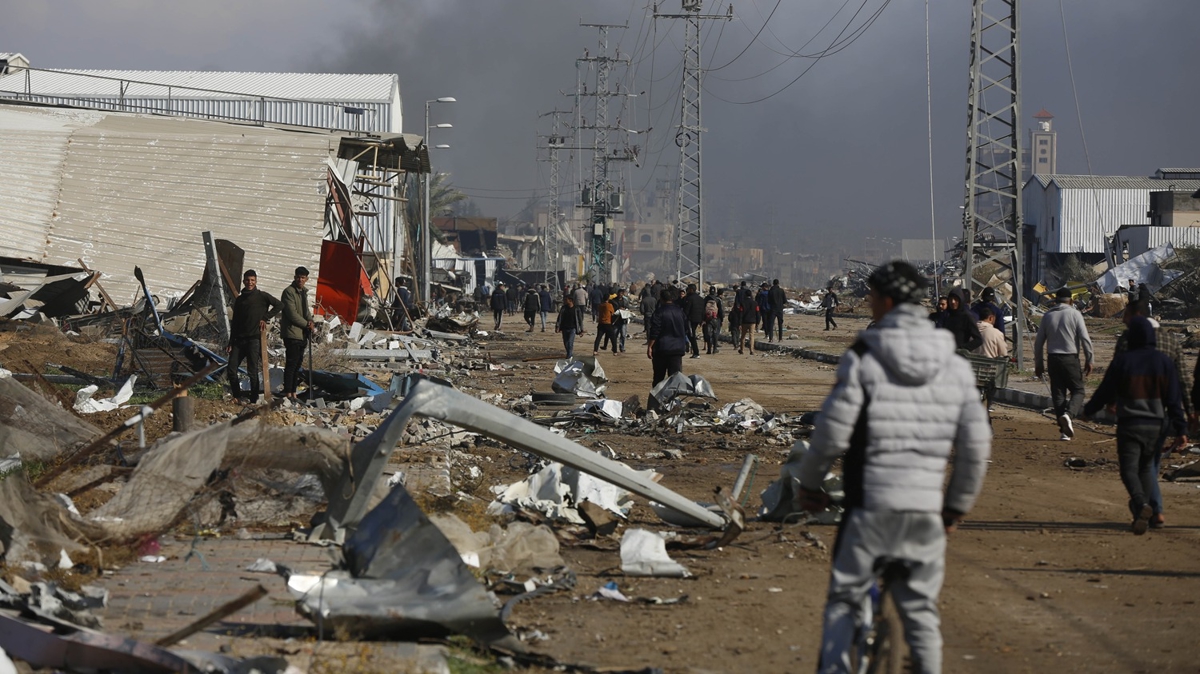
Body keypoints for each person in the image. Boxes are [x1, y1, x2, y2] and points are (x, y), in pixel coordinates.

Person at [797, 260, 991, 674]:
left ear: (884, 301)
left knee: (845, 601)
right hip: (924, 511)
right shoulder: (955, 366)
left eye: (870, 298)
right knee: (920, 611)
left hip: (869, 507)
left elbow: (832, 433)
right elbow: (976, 446)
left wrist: (810, 484)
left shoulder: (864, 356)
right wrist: (954, 508)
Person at [1083, 316, 1187, 535]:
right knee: (1146, 468)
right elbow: (1173, 399)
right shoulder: (1164, 362)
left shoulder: (1123, 360)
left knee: (1129, 469)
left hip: (1130, 423)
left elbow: (1105, 390)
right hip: (1156, 426)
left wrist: (1088, 411)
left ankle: (1141, 504)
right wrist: (1181, 429)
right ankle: (1144, 510)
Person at [1113, 299, 1194, 528]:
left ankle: (1148, 507)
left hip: (1133, 413)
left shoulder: (1128, 340)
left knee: (1140, 465)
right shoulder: (1170, 342)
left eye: (1126, 316)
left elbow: (1115, 374)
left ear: (1136, 316)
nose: (1123, 321)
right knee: (1151, 463)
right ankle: (1149, 507)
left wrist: (1107, 402)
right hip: (1164, 413)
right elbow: (1184, 381)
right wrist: (1189, 414)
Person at [1034, 287, 1094, 441]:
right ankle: (1069, 415)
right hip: (1070, 359)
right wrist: (1089, 359)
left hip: (1053, 359)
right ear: (1071, 301)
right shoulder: (1075, 314)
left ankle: (1064, 431)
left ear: (1055, 300)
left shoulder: (1047, 316)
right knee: (1078, 391)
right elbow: (1085, 339)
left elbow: (1039, 343)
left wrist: (1039, 364)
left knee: (1058, 394)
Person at [227, 269, 281, 403]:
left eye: (252, 280)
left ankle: (254, 398)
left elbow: (280, 305)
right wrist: (230, 342)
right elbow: (235, 322)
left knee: (252, 371)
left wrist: (265, 318)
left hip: (254, 339)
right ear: (243, 281)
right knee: (231, 369)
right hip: (239, 340)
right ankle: (237, 396)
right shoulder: (240, 300)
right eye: (247, 280)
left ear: (256, 281)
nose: (250, 283)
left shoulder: (262, 296)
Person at [280, 266, 313, 401]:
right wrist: (306, 324)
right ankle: (288, 393)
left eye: (303, 277)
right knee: (291, 364)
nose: (300, 279)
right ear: (295, 277)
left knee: (297, 364)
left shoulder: (303, 293)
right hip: (292, 333)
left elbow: (306, 312)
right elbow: (292, 314)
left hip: (302, 334)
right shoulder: (289, 292)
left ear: (306, 279)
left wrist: (310, 321)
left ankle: (294, 393)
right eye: (298, 277)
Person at [646, 286, 689, 386]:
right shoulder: (680, 312)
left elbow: (655, 331)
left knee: (658, 378)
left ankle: (657, 400)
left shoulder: (659, 312)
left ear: (661, 299)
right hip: (677, 350)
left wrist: (650, 346)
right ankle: (673, 399)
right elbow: (686, 329)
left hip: (662, 349)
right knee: (675, 379)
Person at [680, 283, 706, 359]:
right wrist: (703, 319)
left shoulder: (689, 299)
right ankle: (693, 350)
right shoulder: (701, 299)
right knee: (691, 334)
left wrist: (683, 318)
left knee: (691, 335)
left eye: (688, 289)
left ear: (691, 290)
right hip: (698, 319)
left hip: (690, 319)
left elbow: (686, 310)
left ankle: (696, 352)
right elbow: (703, 310)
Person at [734, 282, 759, 355]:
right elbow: (757, 313)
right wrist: (757, 322)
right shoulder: (755, 303)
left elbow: (741, 313)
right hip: (752, 321)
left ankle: (742, 349)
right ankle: (751, 350)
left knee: (743, 336)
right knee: (752, 336)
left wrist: (739, 323)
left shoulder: (743, 303)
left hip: (744, 321)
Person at [593, 292, 619, 356]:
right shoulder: (609, 305)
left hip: (601, 323)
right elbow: (612, 313)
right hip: (607, 323)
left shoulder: (600, 305)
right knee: (613, 338)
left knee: (598, 338)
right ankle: (615, 351)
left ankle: (595, 351)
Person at [703, 287, 725, 355]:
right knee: (715, 333)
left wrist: (703, 319)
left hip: (707, 318)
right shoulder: (717, 299)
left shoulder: (706, 299)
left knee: (708, 334)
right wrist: (722, 319)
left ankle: (709, 349)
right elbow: (721, 310)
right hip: (716, 318)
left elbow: (702, 309)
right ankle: (715, 348)